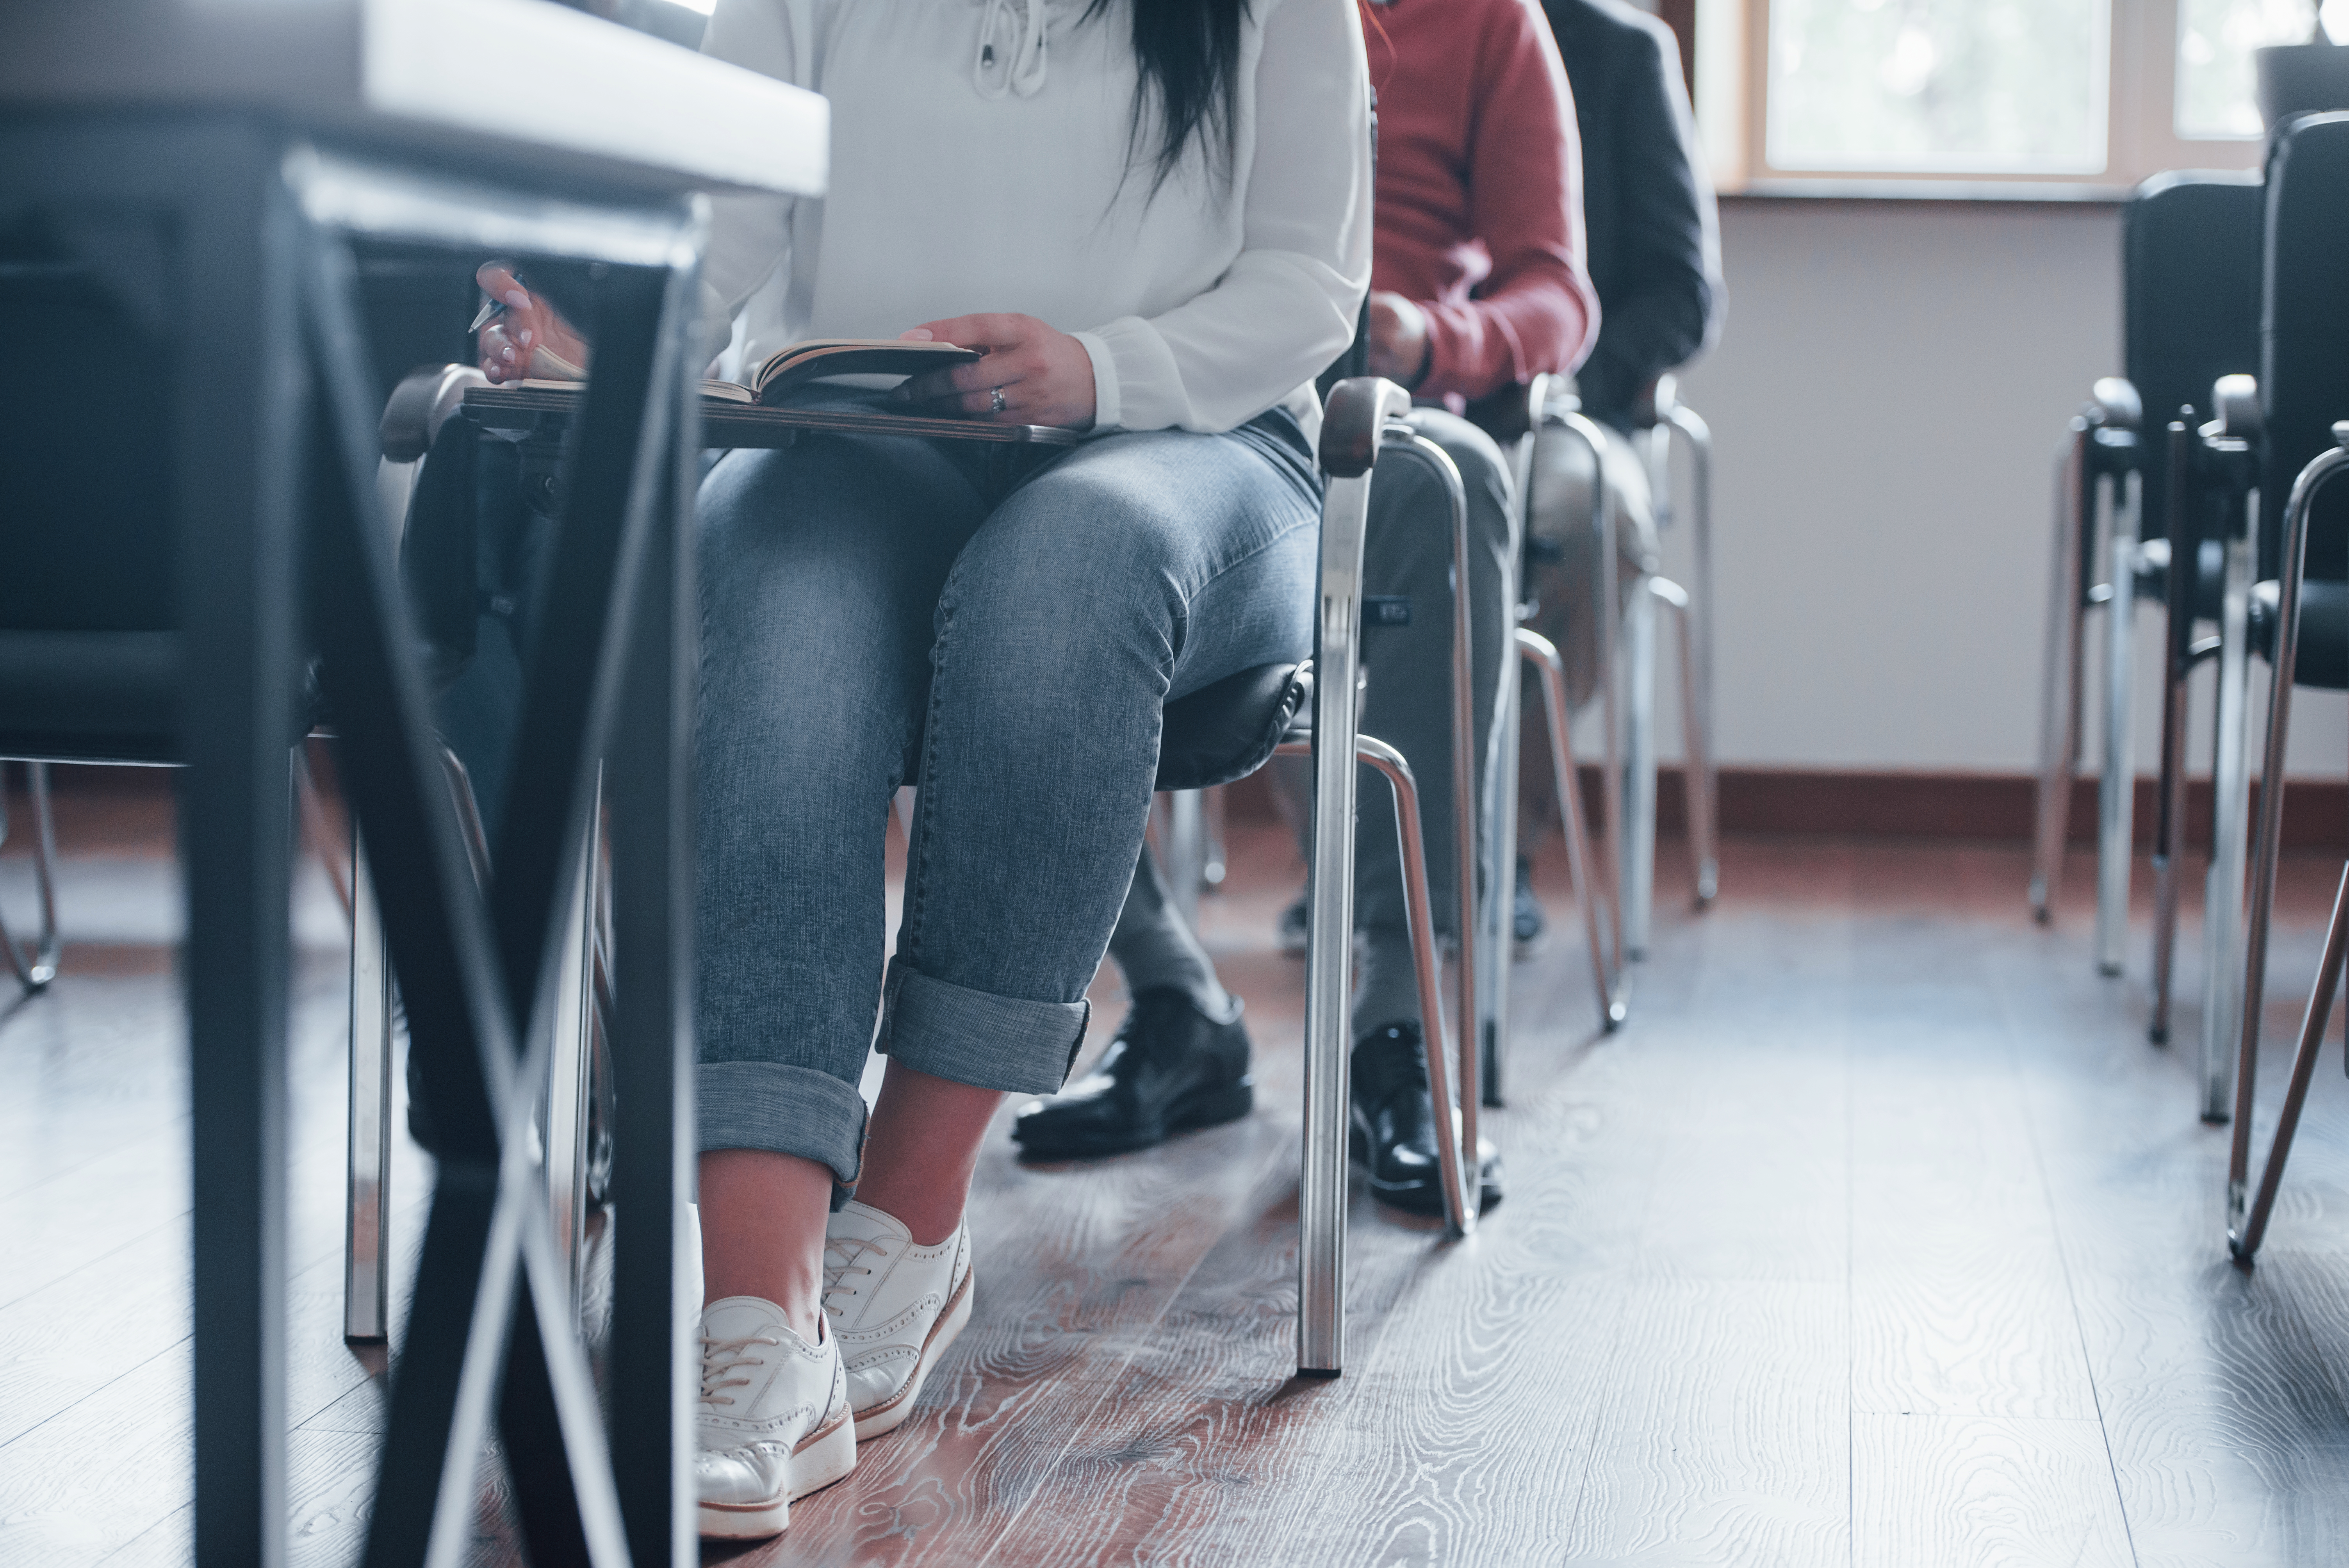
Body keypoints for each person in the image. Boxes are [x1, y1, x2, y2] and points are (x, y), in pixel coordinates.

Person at [476, 0, 1371, 1539]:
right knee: (757, 571)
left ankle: (905, 1217)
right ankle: (758, 1312)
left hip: (1193, 446)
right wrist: (608, 355)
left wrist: (1102, 365)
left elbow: (1310, 284)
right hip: (863, 435)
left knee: (1069, 563)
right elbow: (733, 238)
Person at [1011, 0, 1598, 1220]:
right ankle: (1175, 999)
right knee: (997, 551)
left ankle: (1394, 1025)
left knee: (1457, 478)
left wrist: (1436, 333)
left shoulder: (1489, 25)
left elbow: (1557, 294)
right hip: (1150, 393)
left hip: (1372, 409)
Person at [1516, 0, 1723, 880]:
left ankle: (1486, 844)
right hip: (1395, 396)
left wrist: (1568, 380)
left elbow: (1683, 295)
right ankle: (1354, 857)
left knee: (1592, 526)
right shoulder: (1358, 30)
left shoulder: (1623, 52)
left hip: (1570, 412)